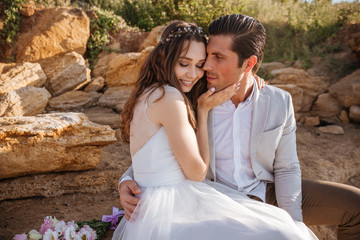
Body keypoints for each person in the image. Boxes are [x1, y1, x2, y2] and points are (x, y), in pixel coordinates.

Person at [119, 14, 360, 240]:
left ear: (249, 63)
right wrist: (127, 180)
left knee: (354, 205)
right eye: (208, 56)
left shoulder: (277, 101)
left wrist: (292, 220)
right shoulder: (192, 94)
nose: (205, 67)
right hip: (212, 196)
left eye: (217, 58)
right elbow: (160, 144)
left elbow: (287, 167)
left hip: (265, 191)